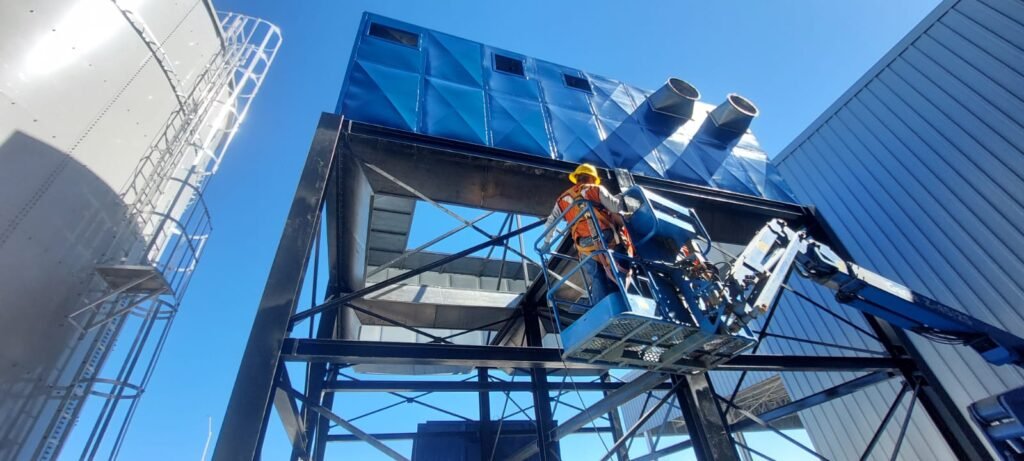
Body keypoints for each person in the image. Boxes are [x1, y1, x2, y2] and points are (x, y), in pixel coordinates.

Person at [545, 163, 633, 304]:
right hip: (606, 237)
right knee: (622, 262)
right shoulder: (595, 189)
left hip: (584, 245)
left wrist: (546, 243)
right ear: (592, 178)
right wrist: (623, 201)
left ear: (577, 178)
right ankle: (624, 301)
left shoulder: (562, 199)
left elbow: (550, 223)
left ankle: (603, 310)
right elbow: (615, 207)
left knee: (597, 276)